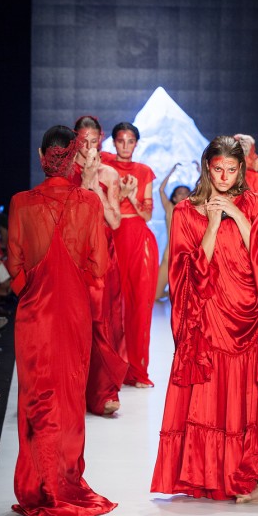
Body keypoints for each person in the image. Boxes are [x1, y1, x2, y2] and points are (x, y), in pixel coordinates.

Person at [151, 37, 258, 503]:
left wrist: (238, 217)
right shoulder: (188, 211)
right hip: (211, 321)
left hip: (253, 311)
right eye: (218, 170)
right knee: (215, 397)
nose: (224, 177)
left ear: (241, 170)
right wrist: (212, 222)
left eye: (232, 170)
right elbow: (185, 273)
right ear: (208, 168)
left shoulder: (255, 202)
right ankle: (214, 473)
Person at [7, 124, 116, 516]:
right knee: (69, 401)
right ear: (73, 160)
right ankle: (64, 480)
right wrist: (73, 282)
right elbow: (99, 265)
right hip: (72, 313)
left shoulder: (20, 203)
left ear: (42, 156)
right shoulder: (88, 203)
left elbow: (14, 267)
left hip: (34, 316)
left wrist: (35, 289)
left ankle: (39, 486)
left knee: (36, 400)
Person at [72, 115, 127, 416]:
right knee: (73, 322)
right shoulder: (65, 171)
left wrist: (94, 182)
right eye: (83, 142)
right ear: (75, 141)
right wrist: (83, 180)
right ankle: (72, 389)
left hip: (102, 254)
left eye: (94, 141)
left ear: (101, 140)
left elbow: (115, 220)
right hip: (73, 253)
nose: (88, 147)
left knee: (101, 322)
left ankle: (103, 391)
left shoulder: (109, 174)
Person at [103, 122, 159, 388]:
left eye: (130, 141)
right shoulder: (104, 167)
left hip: (137, 239)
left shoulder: (144, 171)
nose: (125, 146)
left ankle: (136, 369)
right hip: (112, 237)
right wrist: (121, 195)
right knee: (112, 304)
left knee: (138, 305)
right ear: (114, 142)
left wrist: (131, 197)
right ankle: (111, 368)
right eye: (121, 140)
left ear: (136, 143)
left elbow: (147, 214)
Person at [155, 163, 191, 301]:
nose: (183, 195)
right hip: (170, 255)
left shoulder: (194, 211)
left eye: (186, 193)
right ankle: (171, 293)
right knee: (156, 295)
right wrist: (171, 171)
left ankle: (177, 293)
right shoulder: (170, 208)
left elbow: (205, 191)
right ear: (174, 198)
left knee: (188, 296)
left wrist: (201, 172)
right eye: (179, 193)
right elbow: (161, 189)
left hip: (188, 256)